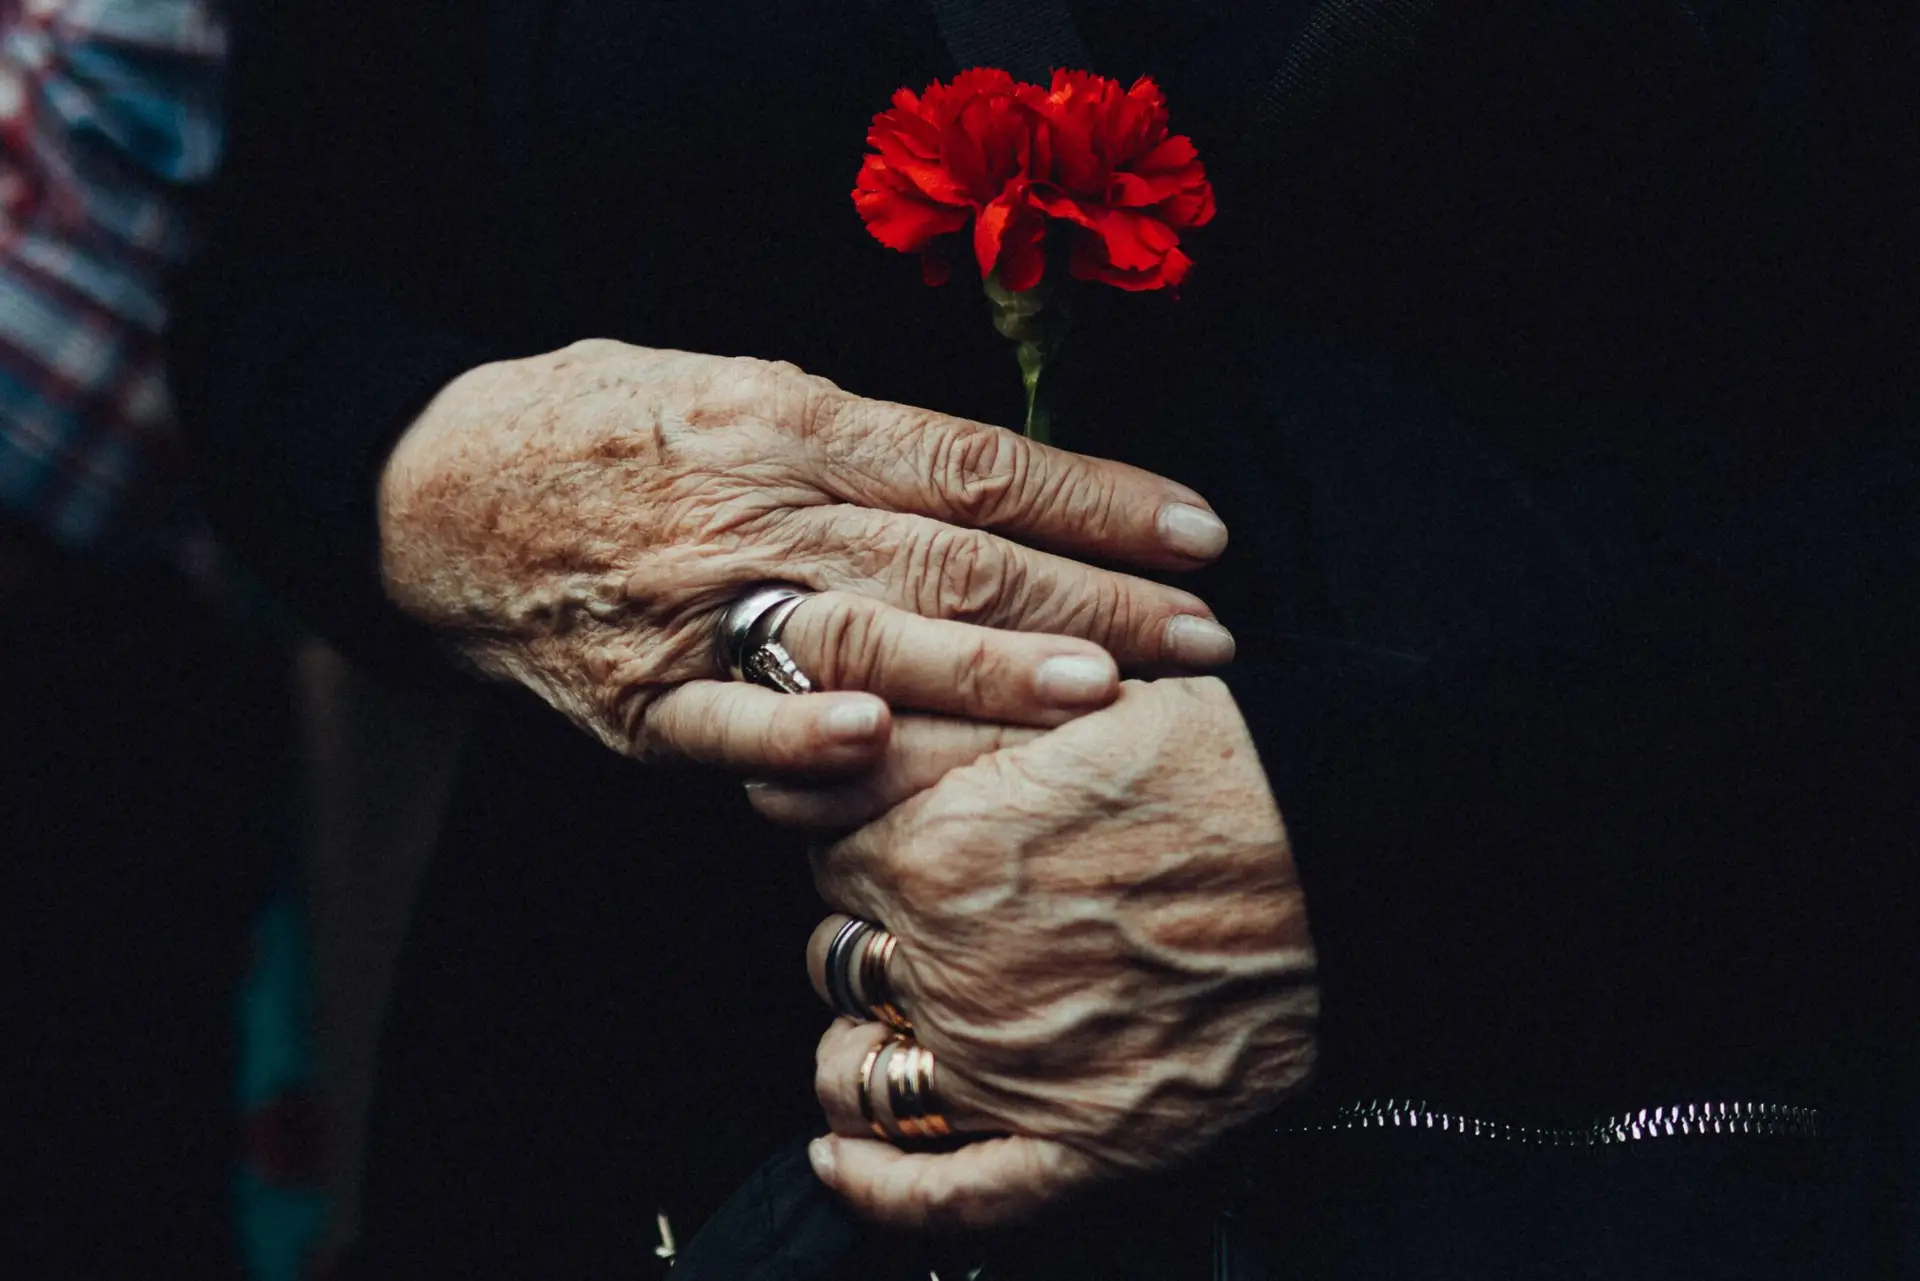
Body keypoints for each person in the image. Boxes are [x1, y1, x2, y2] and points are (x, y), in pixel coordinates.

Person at [173, 2, 1920, 1278]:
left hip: (1588, 1114)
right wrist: (448, 492)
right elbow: (287, 289)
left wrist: (1389, 851)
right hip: (634, 1107)